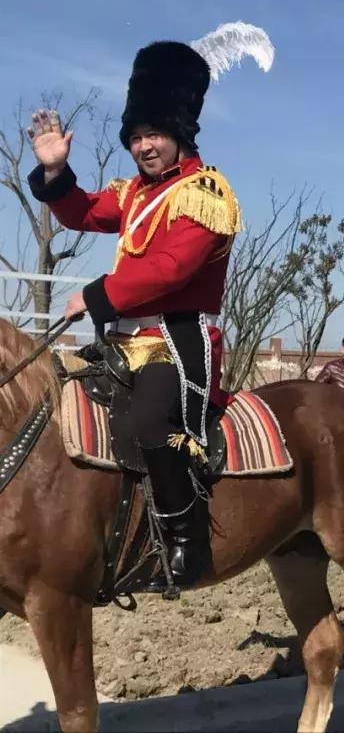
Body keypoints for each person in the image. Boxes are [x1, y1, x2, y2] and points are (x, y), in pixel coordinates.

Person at [28, 41, 241, 590]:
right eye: (136, 136)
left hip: (174, 340)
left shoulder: (206, 193)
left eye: (155, 134)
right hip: (122, 343)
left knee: (150, 423)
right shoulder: (133, 194)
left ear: (180, 134)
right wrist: (56, 171)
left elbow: (172, 269)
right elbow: (81, 212)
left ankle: (186, 538)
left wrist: (97, 295)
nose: (144, 146)